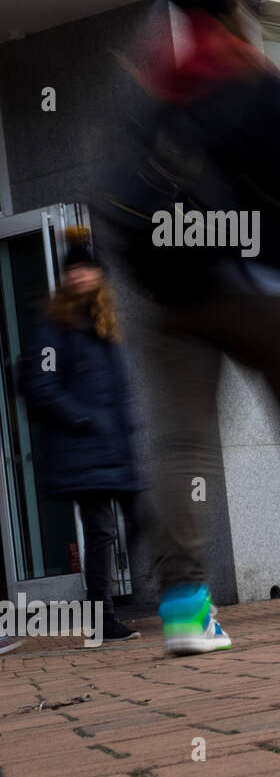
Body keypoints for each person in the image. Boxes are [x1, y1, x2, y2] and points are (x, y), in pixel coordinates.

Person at [99, 0, 280, 655]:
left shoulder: (164, 92)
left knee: (182, 444)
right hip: (267, 291)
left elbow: (123, 205)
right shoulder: (263, 81)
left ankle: (187, 607)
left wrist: (154, 285)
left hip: (181, 299)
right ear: (232, 10)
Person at [19, 239, 147, 645]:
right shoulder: (54, 328)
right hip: (82, 447)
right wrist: (81, 417)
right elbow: (41, 384)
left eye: (86, 269)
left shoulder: (105, 326)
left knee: (140, 521)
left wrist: (123, 428)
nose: (80, 275)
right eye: (72, 270)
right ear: (63, 279)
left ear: (99, 277)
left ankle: (158, 598)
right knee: (101, 529)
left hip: (111, 447)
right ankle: (102, 616)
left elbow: (117, 392)